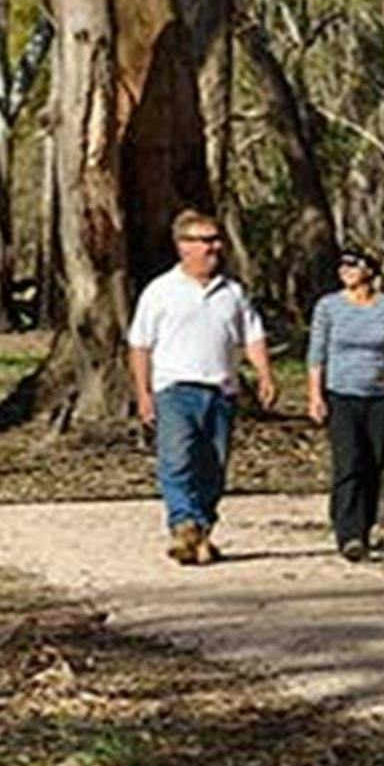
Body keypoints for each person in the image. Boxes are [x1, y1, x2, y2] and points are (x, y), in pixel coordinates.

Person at [128, 209, 277, 566]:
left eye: (216, 240)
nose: (214, 247)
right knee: (177, 460)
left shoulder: (233, 292)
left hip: (221, 391)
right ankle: (183, 524)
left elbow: (252, 336)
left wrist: (265, 374)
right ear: (183, 246)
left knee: (213, 466)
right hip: (175, 389)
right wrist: (144, 394)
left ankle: (202, 531)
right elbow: (140, 346)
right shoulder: (160, 291)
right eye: (205, 240)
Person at [306, 248, 384, 561]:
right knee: (348, 462)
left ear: (371, 271)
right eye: (343, 264)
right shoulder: (329, 307)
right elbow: (317, 353)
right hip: (341, 395)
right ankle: (347, 531)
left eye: (354, 264)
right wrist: (315, 395)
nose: (346, 269)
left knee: (373, 463)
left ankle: (364, 528)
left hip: (378, 397)